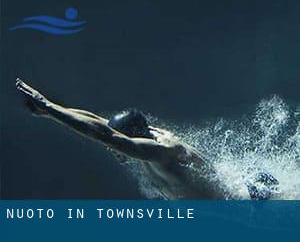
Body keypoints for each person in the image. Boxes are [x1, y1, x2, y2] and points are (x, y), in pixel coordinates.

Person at [15, 78, 278, 199]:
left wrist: (48, 107)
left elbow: (106, 135)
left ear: (132, 138)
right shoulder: (146, 136)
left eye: (115, 144)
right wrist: (51, 111)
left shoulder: (162, 152)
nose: (110, 149)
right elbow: (99, 123)